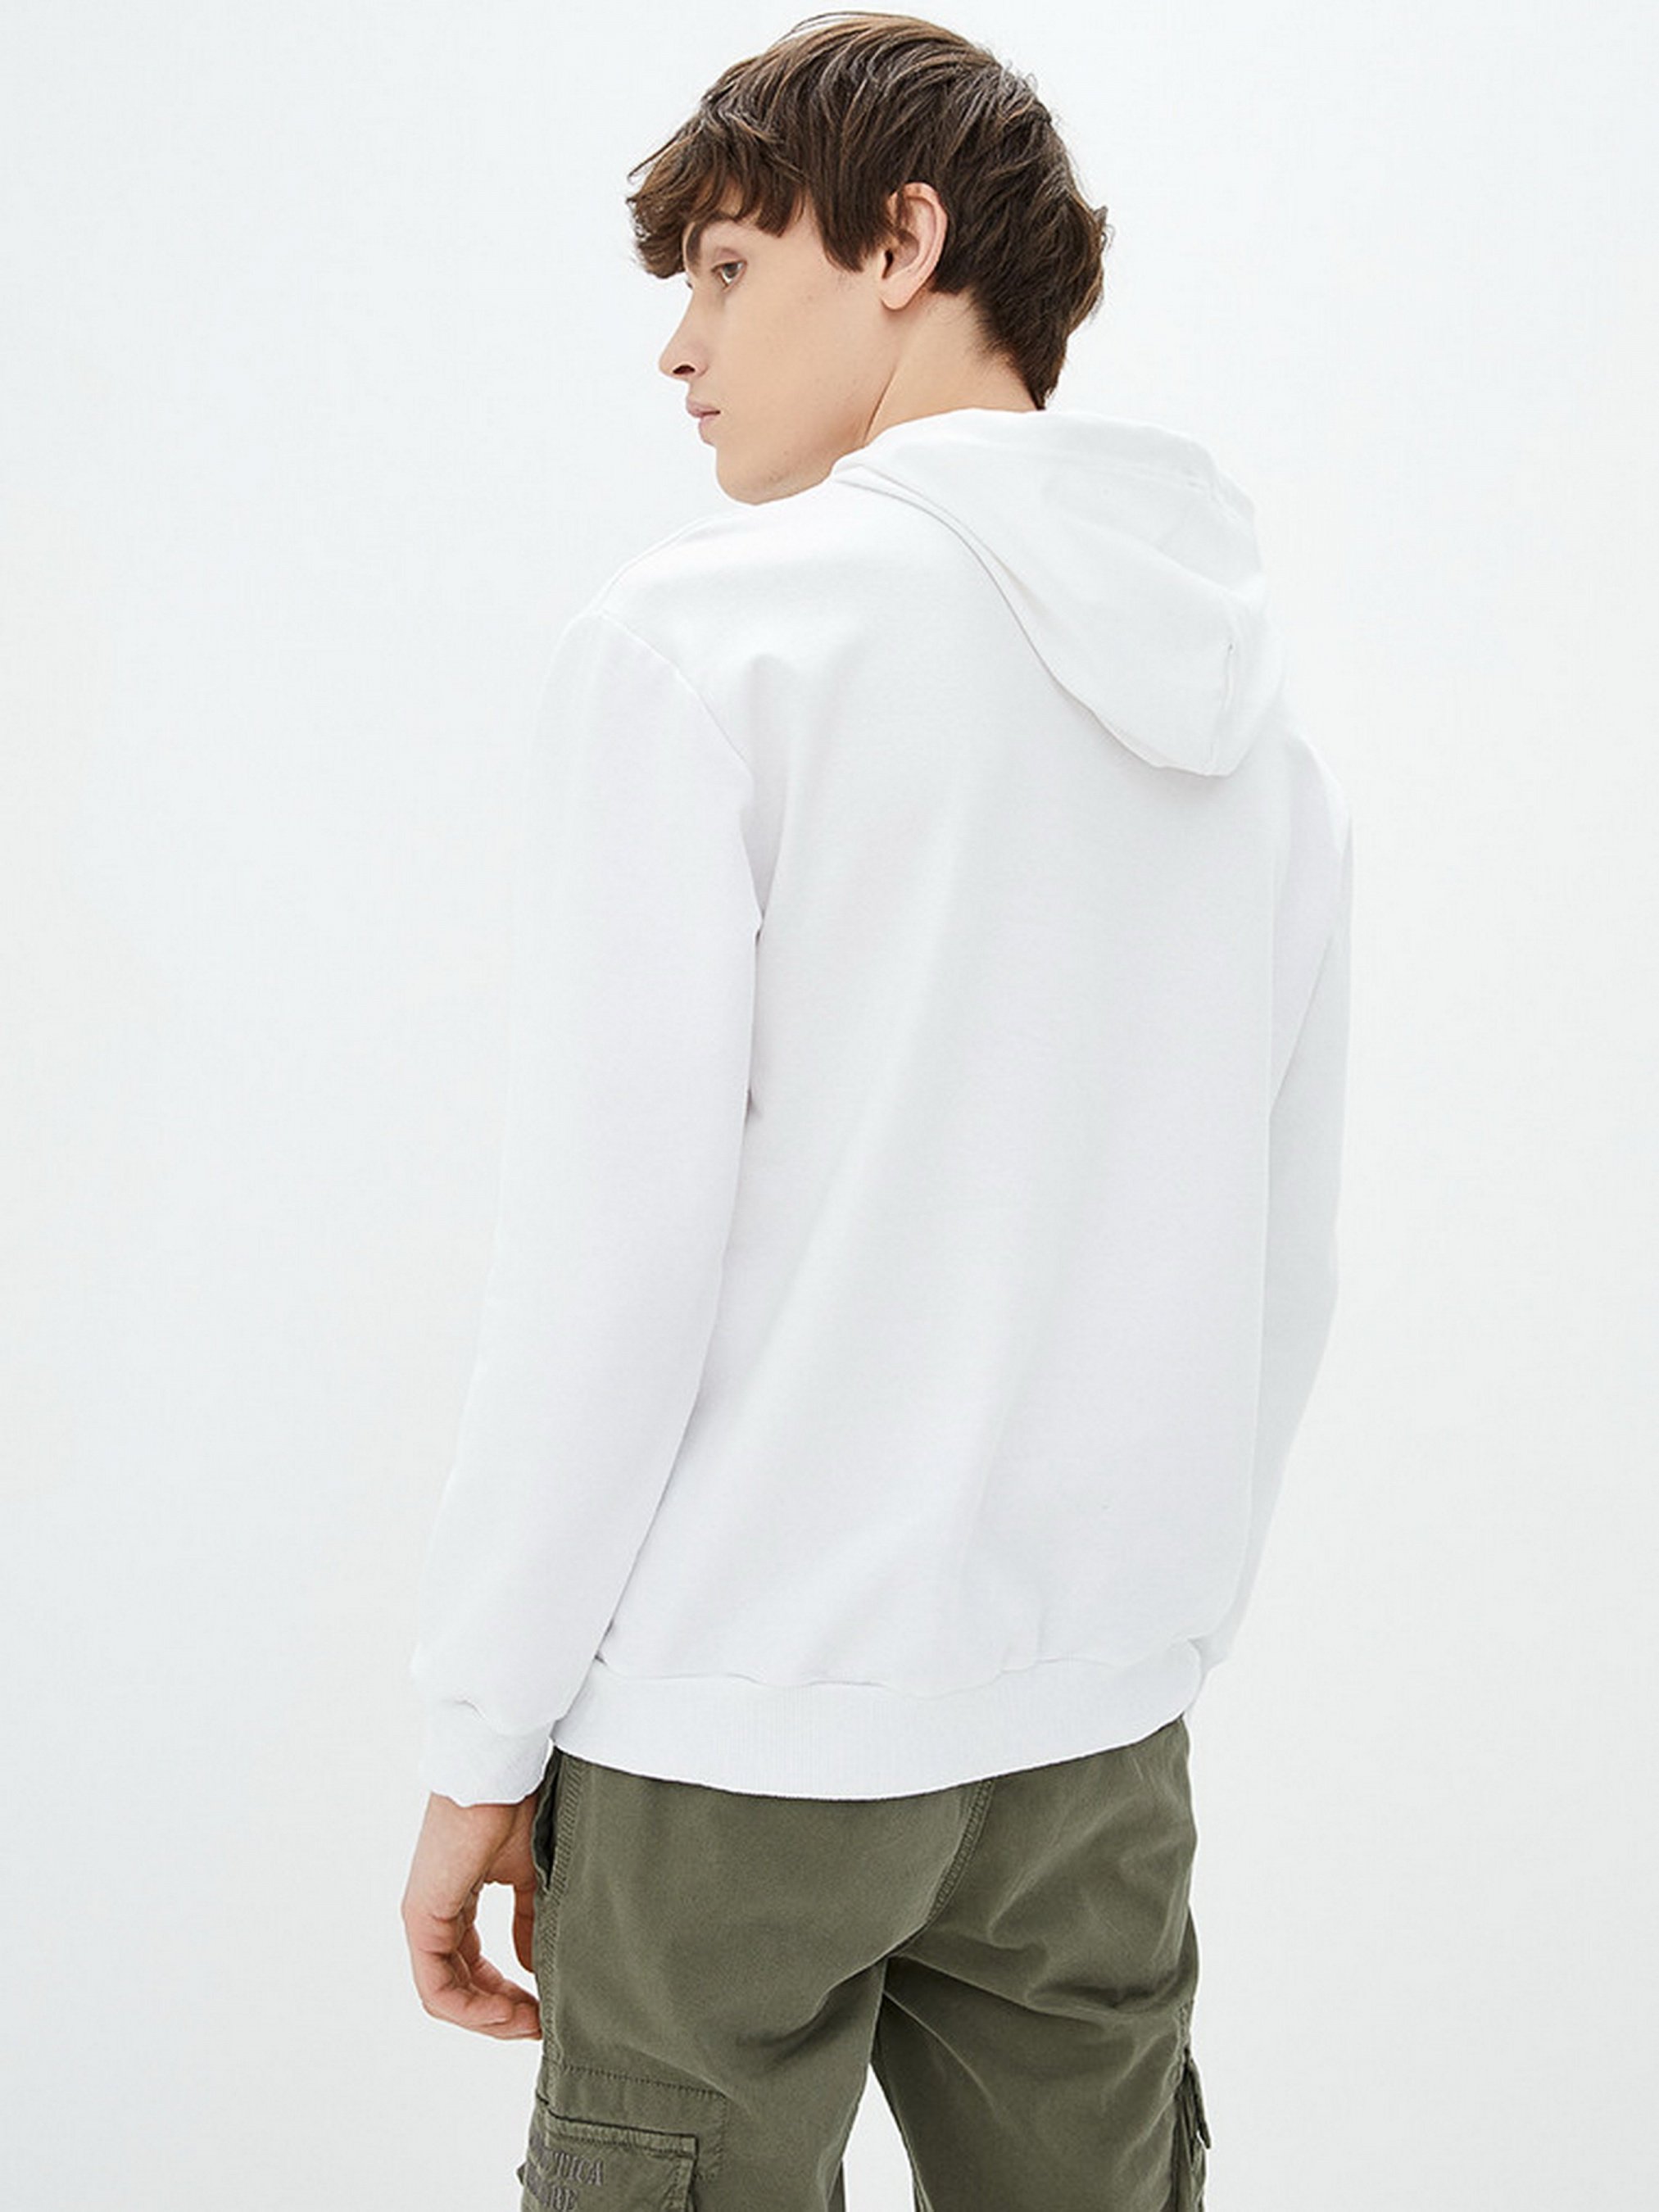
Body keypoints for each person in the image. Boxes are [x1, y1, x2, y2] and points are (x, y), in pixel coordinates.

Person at [400, 13, 1353, 2209]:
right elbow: (1281, 1253)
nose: (680, 344)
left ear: (905, 242)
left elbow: (609, 1269)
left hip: (743, 1726)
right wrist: (1140, 1632)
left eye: (731, 270)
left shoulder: (707, 647)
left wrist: (480, 1737)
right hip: (1090, 1734)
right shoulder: (1250, 714)